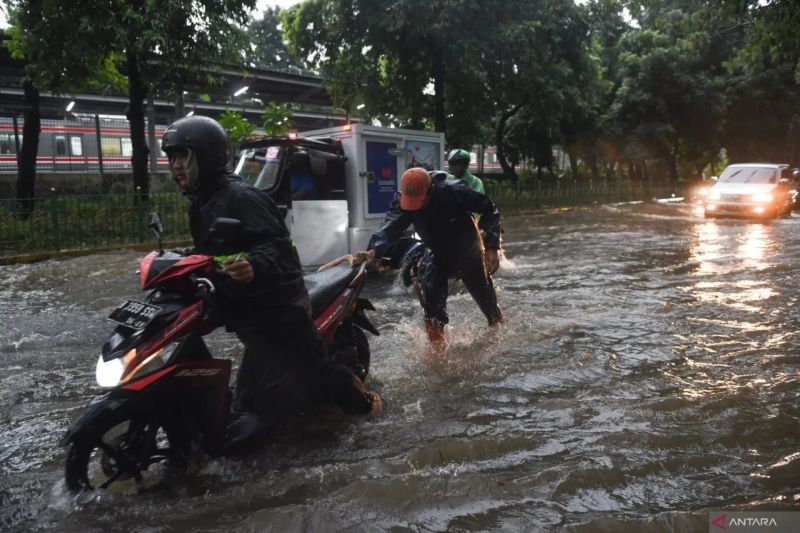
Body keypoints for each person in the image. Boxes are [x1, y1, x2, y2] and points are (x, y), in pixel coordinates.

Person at [161, 116, 382, 448]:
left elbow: (278, 247)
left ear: (205, 157)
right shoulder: (201, 200)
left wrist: (255, 265)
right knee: (247, 394)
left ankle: (368, 406)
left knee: (315, 367)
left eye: (183, 157)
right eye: (172, 157)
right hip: (245, 305)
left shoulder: (241, 196)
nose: (176, 166)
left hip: (280, 306)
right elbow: (213, 249)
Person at [357, 167, 503, 352]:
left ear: (430, 191)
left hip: (467, 250)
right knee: (431, 290)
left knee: (485, 299)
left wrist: (491, 246)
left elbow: (489, 208)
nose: (414, 206)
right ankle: (438, 350)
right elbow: (391, 226)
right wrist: (373, 251)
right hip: (438, 252)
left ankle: (497, 326)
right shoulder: (405, 201)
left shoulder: (453, 191)